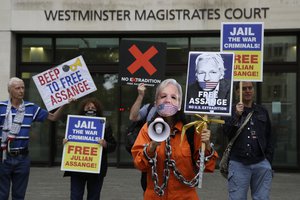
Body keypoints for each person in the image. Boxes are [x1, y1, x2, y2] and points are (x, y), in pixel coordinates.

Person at [131, 79, 218, 200]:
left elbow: (208, 166)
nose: (168, 100)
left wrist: (207, 145)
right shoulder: (148, 129)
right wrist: (151, 147)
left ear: (179, 104)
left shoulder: (191, 131)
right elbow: (139, 164)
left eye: (173, 97)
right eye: (163, 96)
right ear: (156, 102)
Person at [0, 77, 69, 200]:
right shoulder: (1, 107)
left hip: (22, 158)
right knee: (2, 195)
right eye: (17, 88)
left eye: (23, 88)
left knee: (19, 196)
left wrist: (65, 104)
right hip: (3, 157)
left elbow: (53, 117)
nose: (21, 91)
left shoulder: (31, 107)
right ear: (10, 90)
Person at [222, 82, 274, 200]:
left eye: (250, 88)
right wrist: (237, 115)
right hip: (239, 164)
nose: (247, 91)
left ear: (254, 90)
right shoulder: (230, 111)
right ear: (236, 92)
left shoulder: (262, 111)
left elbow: (270, 136)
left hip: (261, 163)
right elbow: (226, 132)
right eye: (243, 88)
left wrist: (268, 161)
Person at [63, 97, 117, 200]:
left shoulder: (104, 125)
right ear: (82, 109)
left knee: (94, 197)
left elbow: (113, 145)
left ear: (98, 110)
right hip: (77, 168)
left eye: (93, 107)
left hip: (96, 169)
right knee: (75, 196)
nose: (90, 109)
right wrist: (66, 142)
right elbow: (70, 139)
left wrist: (105, 144)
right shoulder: (74, 123)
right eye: (88, 107)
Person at [129, 83, 156, 192]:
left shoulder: (177, 111)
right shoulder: (150, 107)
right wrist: (140, 96)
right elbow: (133, 117)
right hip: (150, 153)